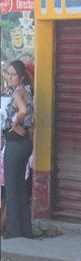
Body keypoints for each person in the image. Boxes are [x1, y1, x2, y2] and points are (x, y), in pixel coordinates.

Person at [1, 60, 34, 239]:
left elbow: (21, 110)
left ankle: (13, 231)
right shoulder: (27, 90)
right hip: (23, 142)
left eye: (13, 74)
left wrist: (14, 124)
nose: (10, 77)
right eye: (8, 73)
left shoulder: (17, 93)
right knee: (19, 188)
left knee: (12, 189)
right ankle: (23, 230)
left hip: (15, 143)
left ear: (21, 76)